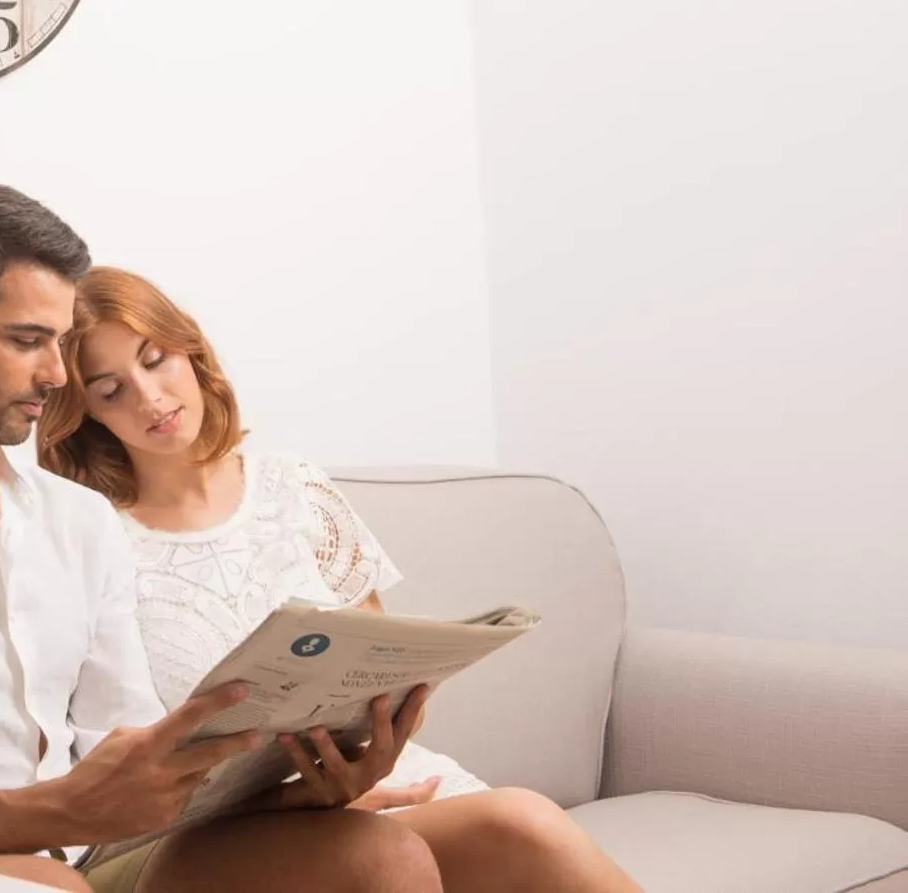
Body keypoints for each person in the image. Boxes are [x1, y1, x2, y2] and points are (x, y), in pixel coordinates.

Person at [0, 184, 450, 892]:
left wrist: (286, 796)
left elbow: (130, 745)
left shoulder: (78, 522)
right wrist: (54, 809)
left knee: (380, 857)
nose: (55, 374)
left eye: (57, 342)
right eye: (25, 341)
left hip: (100, 862)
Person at [38, 265, 644, 893]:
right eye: (110, 390)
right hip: (225, 834)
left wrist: (368, 756)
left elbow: (384, 669)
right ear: (87, 415)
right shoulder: (95, 540)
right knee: (508, 827)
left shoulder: (294, 487)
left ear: (188, 349)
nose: (149, 397)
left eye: (155, 359)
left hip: (369, 784)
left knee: (525, 826)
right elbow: (108, 755)